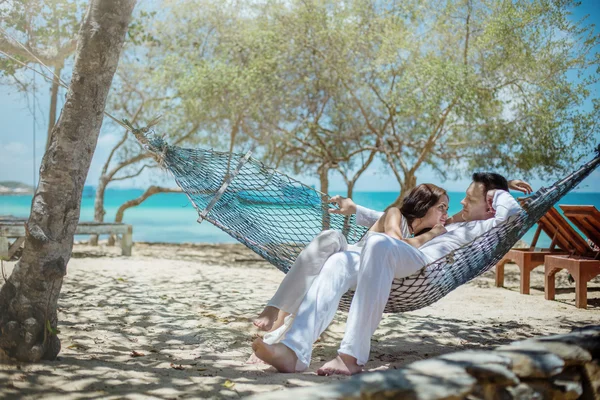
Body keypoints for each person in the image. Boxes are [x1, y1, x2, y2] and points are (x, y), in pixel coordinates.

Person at [251, 173, 532, 375]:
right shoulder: (460, 220)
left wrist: (500, 189)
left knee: (378, 242)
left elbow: (513, 213)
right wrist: (356, 210)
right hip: (387, 258)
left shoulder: (486, 225)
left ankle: (351, 356)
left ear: (491, 204)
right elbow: (392, 217)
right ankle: (294, 352)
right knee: (337, 261)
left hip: (419, 264)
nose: (461, 205)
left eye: (470, 199)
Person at [253, 184, 450, 334]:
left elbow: (463, 220)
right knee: (330, 236)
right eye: (442, 207)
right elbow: (395, 242)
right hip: (350, 253)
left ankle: (276, 329)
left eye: (447, 209)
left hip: (362, 268)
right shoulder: (394, 214)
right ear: (425, 205)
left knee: (316, 274)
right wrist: (433, 234)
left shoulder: (427, 238)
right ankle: (274, 309)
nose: (445, 214)